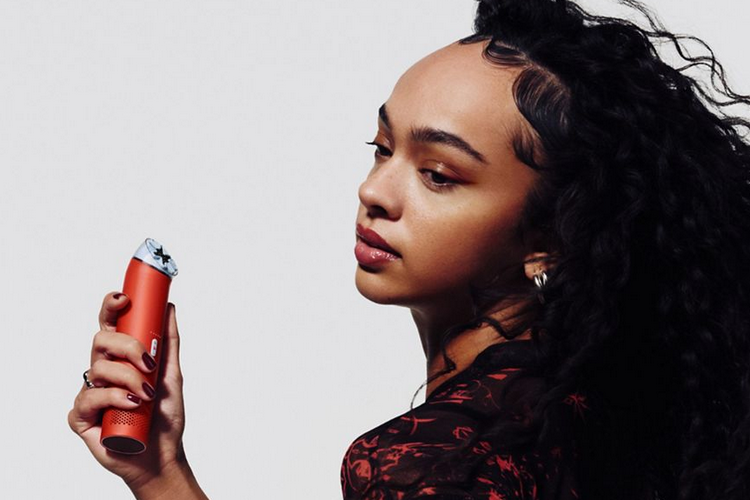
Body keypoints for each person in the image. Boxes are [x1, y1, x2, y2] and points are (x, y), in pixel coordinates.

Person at [68, 0, 750, 498]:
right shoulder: (591, 408)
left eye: (438, 174)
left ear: (549, 237)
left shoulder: (435, 465)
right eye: (382, 147)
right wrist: (160, 472)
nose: (374, 191)